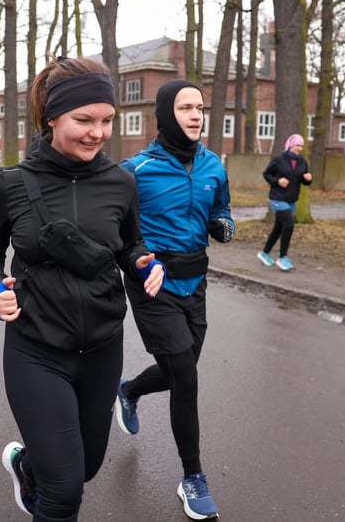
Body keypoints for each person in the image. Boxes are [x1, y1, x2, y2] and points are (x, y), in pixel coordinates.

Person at [0, 56, 164, 521]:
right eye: (84, 120)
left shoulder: (122, 182)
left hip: (102, 347)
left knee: (87, 467)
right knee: (63, 492)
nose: (98, 133)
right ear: (52, 118)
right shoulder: (13, 183)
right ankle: (45, 477)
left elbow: (129, 244)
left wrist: (143, 262)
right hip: (36, 349)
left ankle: (27, 466)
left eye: (107, 121)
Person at [115, 79, 233, 520]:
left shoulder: (213, 165)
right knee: (185, 375)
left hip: (195, 283)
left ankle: (129, 389)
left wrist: (224, 225)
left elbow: (222, 210)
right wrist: (139, 262)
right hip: (152, 284)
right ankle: (192, 476)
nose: (196, 115)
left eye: (200, 107)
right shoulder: (135, 170)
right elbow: (116, 230)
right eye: (186, 107)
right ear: (166, 114)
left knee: (179, 370)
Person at [256, 133, 312, 271]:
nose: (300, 148)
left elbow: (304, 180)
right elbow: (266, 174)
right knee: (289, 224)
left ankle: (265, 253)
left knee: (279, 228)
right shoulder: (279, 159)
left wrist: (308, 179)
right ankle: (283, 257)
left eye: (301, 146)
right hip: (277, 198)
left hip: (291, 199)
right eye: (297, 145)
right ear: (290, 145)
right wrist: (278, 181)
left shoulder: (302, 162)